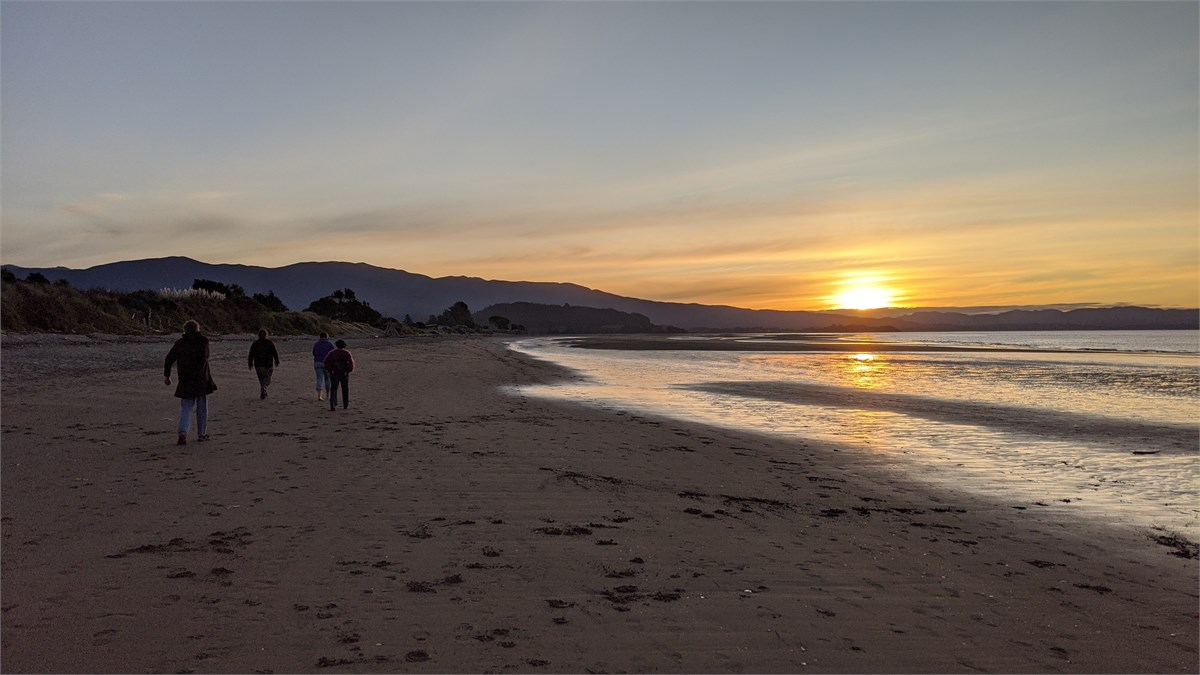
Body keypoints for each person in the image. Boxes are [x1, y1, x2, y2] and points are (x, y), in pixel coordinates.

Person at [164, 319, 217, 445]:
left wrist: (167, 375)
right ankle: (201, 434)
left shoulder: (180, 343)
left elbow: (169, 358)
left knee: (186, 407)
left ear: (185, 330)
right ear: (197, 329)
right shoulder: (203, 341)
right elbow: (205, 357)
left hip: (185, 378)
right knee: (202, 407)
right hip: (201, 378)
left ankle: (183, 432)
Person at [323, 339, 355, 411]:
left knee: (334, 388)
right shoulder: (346, 353)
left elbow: (326, 362)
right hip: (344, 373)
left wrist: (330, 370)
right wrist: (348, 371)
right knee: (345, 389)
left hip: (334, 373)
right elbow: (351, 363)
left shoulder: (332, 353)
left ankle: (332, 404)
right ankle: (345, 405)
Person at [248, 328, 280, 399]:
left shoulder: (255, 343)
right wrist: (276, 361)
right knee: (267, 379)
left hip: (258, 365)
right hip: (268, 364)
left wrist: (250, 363)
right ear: (266, 335)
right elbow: (274, 353)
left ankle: (263, 389)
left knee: (261, 379)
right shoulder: (269, 343)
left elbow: (251, 354)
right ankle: (264, 388)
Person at [311, 332, 336, 401]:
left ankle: (319, 395)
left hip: (317, 362)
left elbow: (314, 352)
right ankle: (328, 395)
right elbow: (333, 353)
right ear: (327, 337)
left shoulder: (316, 344)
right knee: (328, 379)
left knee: (319, 379)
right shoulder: (329, 344)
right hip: (327, 363)